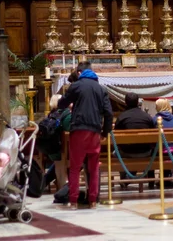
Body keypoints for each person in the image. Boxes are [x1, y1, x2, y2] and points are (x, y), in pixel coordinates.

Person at [58, 61, 113, 210]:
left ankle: (74, 201)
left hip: (79, 129)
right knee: (93, 167)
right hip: (95, 130)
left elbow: (62, 104)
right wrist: (105, 132)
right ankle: (93, 201)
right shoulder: (101, 89)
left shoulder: (76, 86)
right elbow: (108, 113)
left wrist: (67, 103)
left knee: (75, 167)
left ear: (80, 73)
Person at [114, 92, 155, 188]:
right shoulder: (147, 116)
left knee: (115, 153)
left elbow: (116, 137)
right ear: (137, 102)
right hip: (146, 152)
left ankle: (124, 178)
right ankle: (149, 181)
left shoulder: (121, 117)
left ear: (125, 102)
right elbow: (153, 135)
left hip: (126, 152)